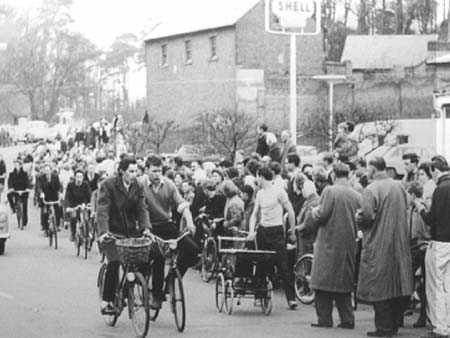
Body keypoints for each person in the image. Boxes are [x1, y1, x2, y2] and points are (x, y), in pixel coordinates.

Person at [299, 163, 361, 329]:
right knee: (344, 285)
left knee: (322, 282)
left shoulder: (330, 191)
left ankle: (324, 319)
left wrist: (313, 212)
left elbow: (322, 214)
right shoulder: (356, 194)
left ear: (333, 175)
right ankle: (347, 320)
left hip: (328, 242)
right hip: (348, 243)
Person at [358, 157, 413, 337]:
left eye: (368, 169)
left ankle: (383, 328)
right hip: (399, 241)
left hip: (379, 241)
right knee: (397, 283)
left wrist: (358, 218)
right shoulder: (399, 186)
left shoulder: (371, 189)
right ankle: (395, 324)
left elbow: (367, 216)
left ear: (373, 169)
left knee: (379, 284)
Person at [143, 155, 199, 310]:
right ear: (146, 170)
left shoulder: (168, 184)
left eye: (159, 171)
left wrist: (190, 222)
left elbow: (182, 204)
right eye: (153, 171)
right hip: (148, 227)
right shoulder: (140, 184)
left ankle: (171, 280)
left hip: (167, 225)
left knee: (192, 249)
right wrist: (144, 228)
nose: (156, 174)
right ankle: (156, 295)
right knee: (158, 256)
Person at [97, 157, 151, 314]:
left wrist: (145, 228)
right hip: (112, 232)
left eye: (136, 171)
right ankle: (107, 301)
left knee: (142, 259)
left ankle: (129, 290)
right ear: (122, 171)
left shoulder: (138, 186)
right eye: (131, 171)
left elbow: (142, 208)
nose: (134, 175)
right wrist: (104, 232)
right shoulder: (108, 185)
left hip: (130, 232)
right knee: (114, 263)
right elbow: (102, 210)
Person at [248, 166, 297, 310]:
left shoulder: (279, 191)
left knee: (283, 265)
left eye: (257, 177)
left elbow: (291, 211)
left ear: (261, 177)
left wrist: (292, 231)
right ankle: (260, 295)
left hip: (276, 231)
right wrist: (252, 230)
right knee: (261, 263)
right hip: (263, 230)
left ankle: (291, 299)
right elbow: (254, 213)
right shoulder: (260, 194)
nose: (257, 180)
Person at [415, 155, 450, 338]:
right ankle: (448, 324)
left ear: (436, 171)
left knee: (435, 286)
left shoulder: (440, 189)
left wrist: (420, 208)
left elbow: (431, 219)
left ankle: (439, 327)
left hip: (440, 242)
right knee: (448, 285)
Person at [406, 181, 431, 328]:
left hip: (420, 246)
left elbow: (423, 228)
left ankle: (422, 315)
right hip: (416, 246)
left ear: (413, 195)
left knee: (422, 282)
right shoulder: (410, 209)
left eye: (407, 194)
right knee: (415, 281)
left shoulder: (421, 209)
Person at [294, 175, 319, 259]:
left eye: (303, 189)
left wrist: (296, 228)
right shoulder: (309, 201)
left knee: (305, 264)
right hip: (305, 241)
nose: (302, 191)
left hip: (308, 241)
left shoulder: (313, 203)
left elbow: (308, 225)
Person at [65, 169, 92, 242]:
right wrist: (68, 207)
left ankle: (88, 233)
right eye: (77, 177)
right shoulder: (70, 185)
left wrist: (88, 204)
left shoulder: (86, 184)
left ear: (83, 177)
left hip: (83, 204)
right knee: (73, 218)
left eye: (81, 177)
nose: (79, 178)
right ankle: (73, 234)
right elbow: (67, 197)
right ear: (75, 177)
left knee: (86, 218)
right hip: (73, 205)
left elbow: (89, 195)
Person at [37, 162, 63, 235]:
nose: (47, 171)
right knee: (44, 212)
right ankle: (45, 227)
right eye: (45, 170)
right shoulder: (40, 177)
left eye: (48, 170)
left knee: (58, 209)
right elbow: (39, 187)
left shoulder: (55, 176)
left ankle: (57, 225)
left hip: (54, 196)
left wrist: (60, 193)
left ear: (51, 170)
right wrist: (41, 193)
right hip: (45, 197)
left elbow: (59, 186)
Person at [7, 159, 30, 227]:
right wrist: (11, 188)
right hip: (15, 191)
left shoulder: (24, 173)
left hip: (23, 191)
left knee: (25, 205)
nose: (16, 166)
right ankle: (13, 207)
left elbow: (27, 182)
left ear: (20, 166)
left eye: (18, 165)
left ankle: (24, 220)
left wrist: (27, 188)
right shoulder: (12, 173)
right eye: (15, 165)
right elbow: (10, 181)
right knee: (9, 195)